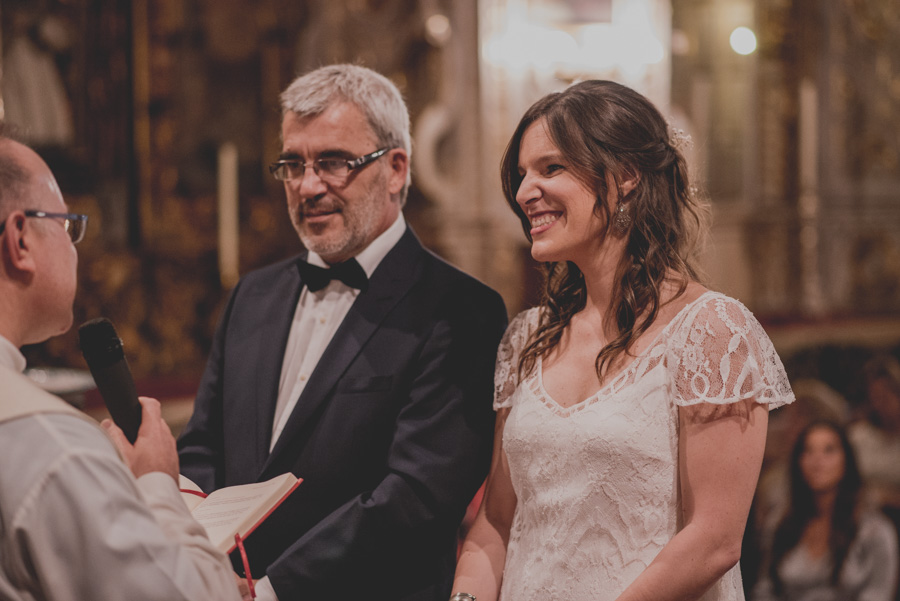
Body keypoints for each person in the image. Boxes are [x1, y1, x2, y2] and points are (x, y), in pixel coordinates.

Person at [450, 79, 795, 601]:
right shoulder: (528, 339)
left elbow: (714, 541)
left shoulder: (712, 332)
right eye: (522, 175)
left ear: (626, 176)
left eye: (551, 168)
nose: (523, 193)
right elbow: (498, 520)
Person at [177, 64, 508, 601]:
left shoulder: (461, 309)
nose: (308, 186)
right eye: (293, 164)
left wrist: (270, 590)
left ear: (397, 168)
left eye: (333, 162)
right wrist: (204, 563)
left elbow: (417, 493)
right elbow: (201, 447)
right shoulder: (251, 296)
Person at [0, 130, 243, 600]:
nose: (75, 247)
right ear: (20, 240)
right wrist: (155, 482)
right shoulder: (57, 451)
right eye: (67, 225)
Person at [751, 421, 899, 601]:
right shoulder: (779, 522)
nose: (817, 460)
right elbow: (764, 590)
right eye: (808, 450)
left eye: (829, 450)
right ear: (798, 461)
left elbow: (879, 594)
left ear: (847, 459)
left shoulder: (874, 530)